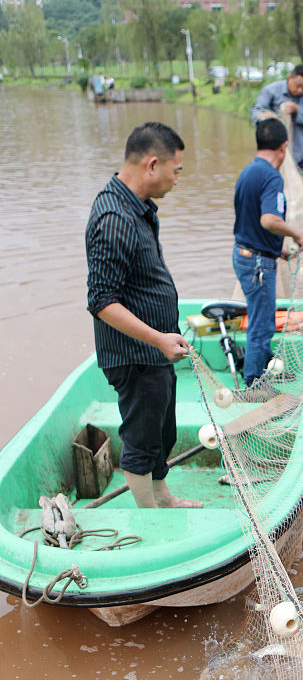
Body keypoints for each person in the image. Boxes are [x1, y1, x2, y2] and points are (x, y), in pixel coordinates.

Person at [85, 122, 201, 510]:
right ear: (152, 165)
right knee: (141, 438)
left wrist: (163, 338)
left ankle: (163, 497)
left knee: (162, 433)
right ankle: (149, 516)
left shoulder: (139, 207)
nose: (177, 179)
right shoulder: (114, 218)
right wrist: (157, 338)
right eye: (176, 170)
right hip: (135, 355)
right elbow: (102, 302)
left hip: (156, 350)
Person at [232, 118, 303, 385]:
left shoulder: (248, 172)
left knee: (261, 316)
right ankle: (254, 381)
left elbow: (250, 223)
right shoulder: (271, 177)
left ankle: (266, 368)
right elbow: (268, 220)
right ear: (283, 147)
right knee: (262, 325)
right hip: (257, 264)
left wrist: (280, 252)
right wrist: (296, 234)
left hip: (246, 255)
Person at [250, 64, 303, 177]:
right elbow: (255, 113)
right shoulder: (271, 91)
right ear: (290, 77)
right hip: (276, 154)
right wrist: (267, 116)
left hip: (300, 153)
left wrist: (297, 110)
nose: (300, 90)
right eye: (298, 86)